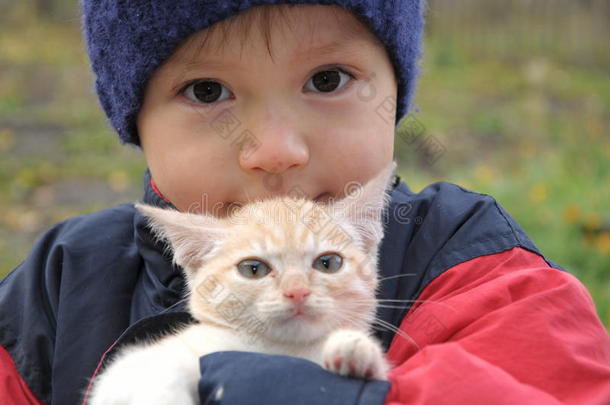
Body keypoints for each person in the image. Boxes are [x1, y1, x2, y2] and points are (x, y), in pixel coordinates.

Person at [1, 1, 609, 404]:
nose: (276, 150)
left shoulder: (471, 265)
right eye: (207, 90)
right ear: (137, 124)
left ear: (396, 95)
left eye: (326, 80)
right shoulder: (62, 283)